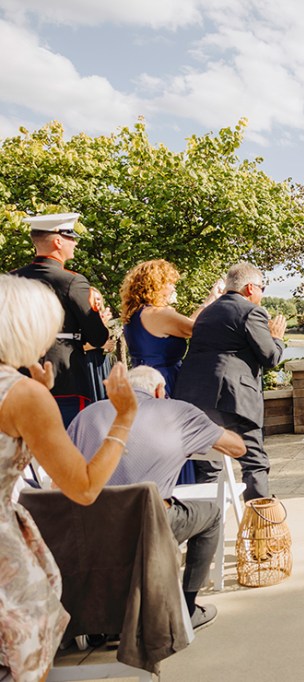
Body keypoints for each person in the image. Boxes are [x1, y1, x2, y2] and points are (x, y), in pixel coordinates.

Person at [0, 275, 137, 681]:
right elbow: (85, 487)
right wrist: (125, 417)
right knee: (23, 653)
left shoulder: (25, 393)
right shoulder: (21, 395)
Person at [67, 366, 245, 632]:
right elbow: (237, 448)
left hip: (90, 526)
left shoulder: (87, 414)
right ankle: (187, 609)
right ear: (160, 390)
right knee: (212, 514)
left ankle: (100, 618)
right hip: (149, 524)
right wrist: (208, 430)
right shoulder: (179, 412)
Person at [175, 262, 286, 501]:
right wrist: (277, 338)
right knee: (254, 461)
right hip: (233, 399)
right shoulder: (251, 311)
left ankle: (206, 520)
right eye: (262, 288)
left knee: (209, 466)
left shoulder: (207, 312)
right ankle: (259, 519)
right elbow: (270, 357)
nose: (262, 294)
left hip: (194, 398)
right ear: (250, 288)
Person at [12, 213, 109, 426]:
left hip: (18, 378)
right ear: (58, 241)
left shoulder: (11, 279)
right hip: (65, 379)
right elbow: (98, 337)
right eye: (71, 237)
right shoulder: (72, 281)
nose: (75, 243)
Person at [120, 259, 223, 397]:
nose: (173, 288)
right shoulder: (159, 314)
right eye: (170, 283)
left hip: (140, 382)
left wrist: (209, 300)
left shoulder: (135, 314)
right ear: (156, 285)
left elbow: (184, 325)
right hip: (163, 381)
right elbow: (193, 328)